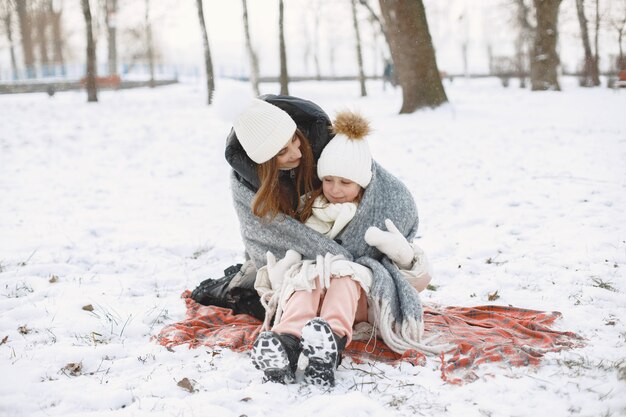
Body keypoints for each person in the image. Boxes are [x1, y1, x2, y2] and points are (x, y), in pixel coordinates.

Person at [210, 95, 444, 388]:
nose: (297, 151)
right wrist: (283, 274)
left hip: (355, 287)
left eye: (295, 139)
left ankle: (329, 342)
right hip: (310, 277)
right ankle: (286, 343)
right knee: (304, 285)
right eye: (283, 151)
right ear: (266, 162)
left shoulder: (337, 164)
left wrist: (402, 255)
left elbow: (411, 278)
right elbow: (276, 241)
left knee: (344, 281)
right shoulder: (309, 204)